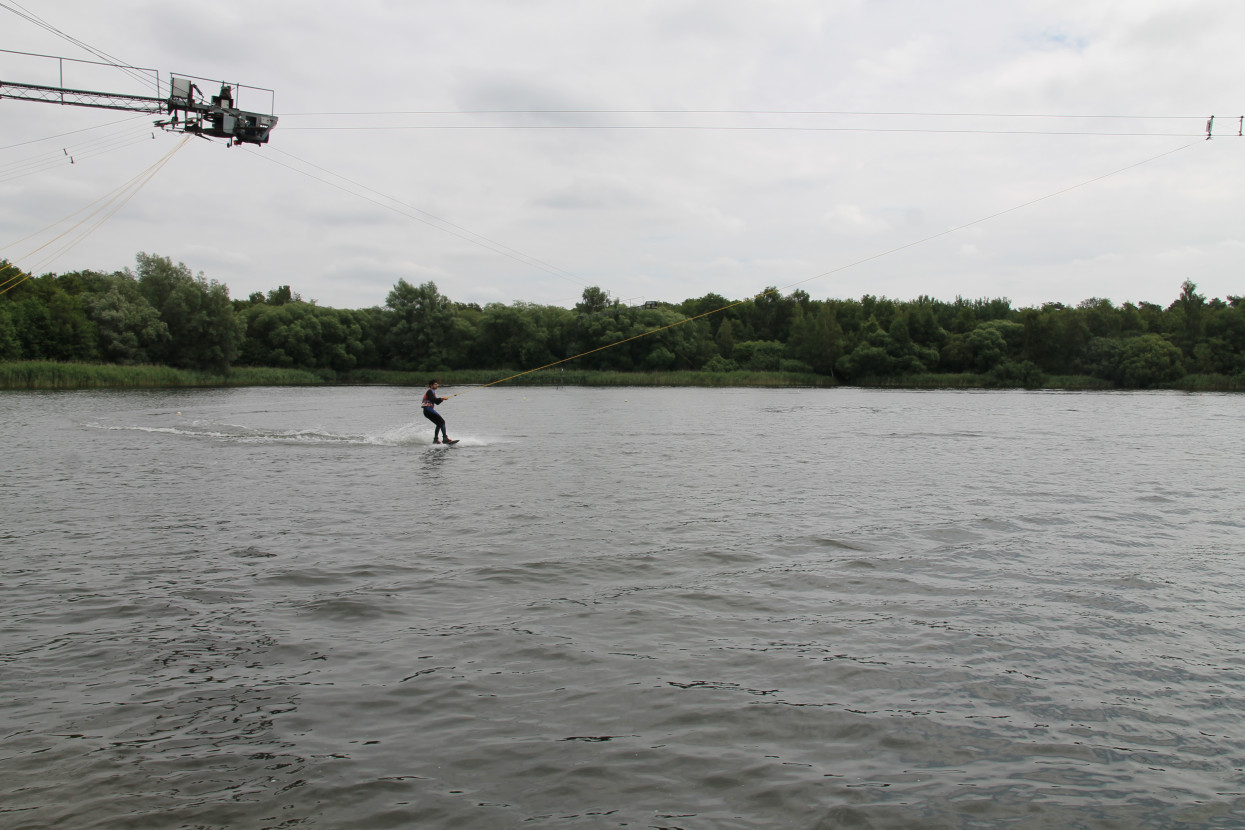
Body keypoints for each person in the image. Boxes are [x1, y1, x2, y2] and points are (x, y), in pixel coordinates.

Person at [421, 380, 456, 444]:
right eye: (435, 384)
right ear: (431, 385)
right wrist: (441, 398)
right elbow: (433, 399)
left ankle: (435, 440)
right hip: (428, 409)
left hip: (427, 411)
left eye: (437, 384)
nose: (436, 385)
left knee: (439, 423)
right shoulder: (429, 391)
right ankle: (445, 439)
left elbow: (436, 402)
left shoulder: (432, 392)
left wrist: (442, 399)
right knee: (442, 422)